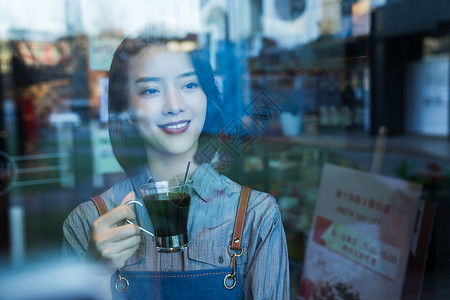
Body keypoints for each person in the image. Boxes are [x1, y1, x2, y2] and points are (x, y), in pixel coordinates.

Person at [62, 33, 290, 299]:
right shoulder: (85, 224)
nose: (174, 106)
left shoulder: (256, 216)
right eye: (151, 90)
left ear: (207, 96)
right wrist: (96, 273)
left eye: (189, 85)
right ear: (125, 110)